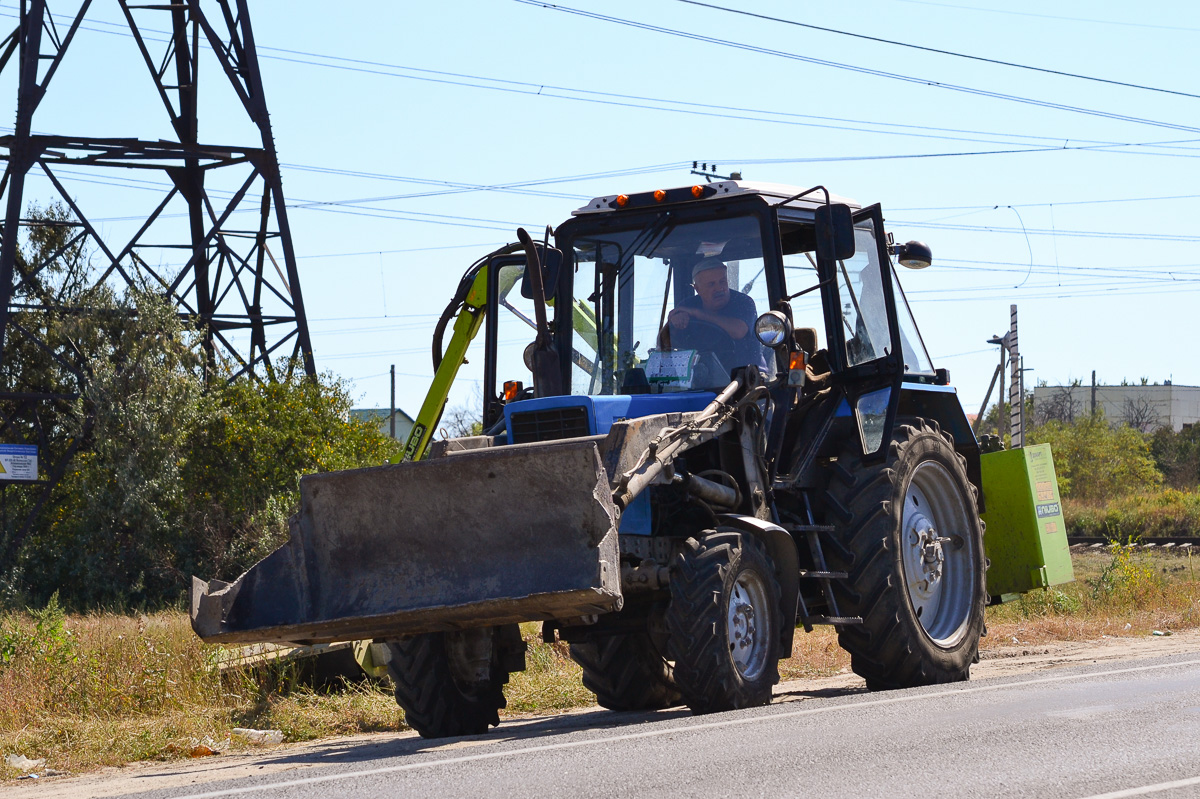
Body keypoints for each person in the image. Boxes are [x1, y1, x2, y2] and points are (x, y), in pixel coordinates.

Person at [668, 260, 767, 369]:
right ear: (697, 289)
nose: (719, 288)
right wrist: (675, 321)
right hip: (702, 379)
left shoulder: (743, 302)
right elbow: (665, 343)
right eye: (711, 284)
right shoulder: (687, 305)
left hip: (749, 378)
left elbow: (738, 331)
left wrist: (698, 314)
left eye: (722, 282)